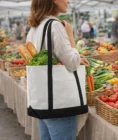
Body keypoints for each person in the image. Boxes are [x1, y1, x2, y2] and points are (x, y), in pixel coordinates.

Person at [27, 0, 89, 140]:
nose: (68, 1)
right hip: (59, 103)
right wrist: (70, 36)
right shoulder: (54, 26)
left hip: (43, 101)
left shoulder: (35, 27)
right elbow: (72, 63)